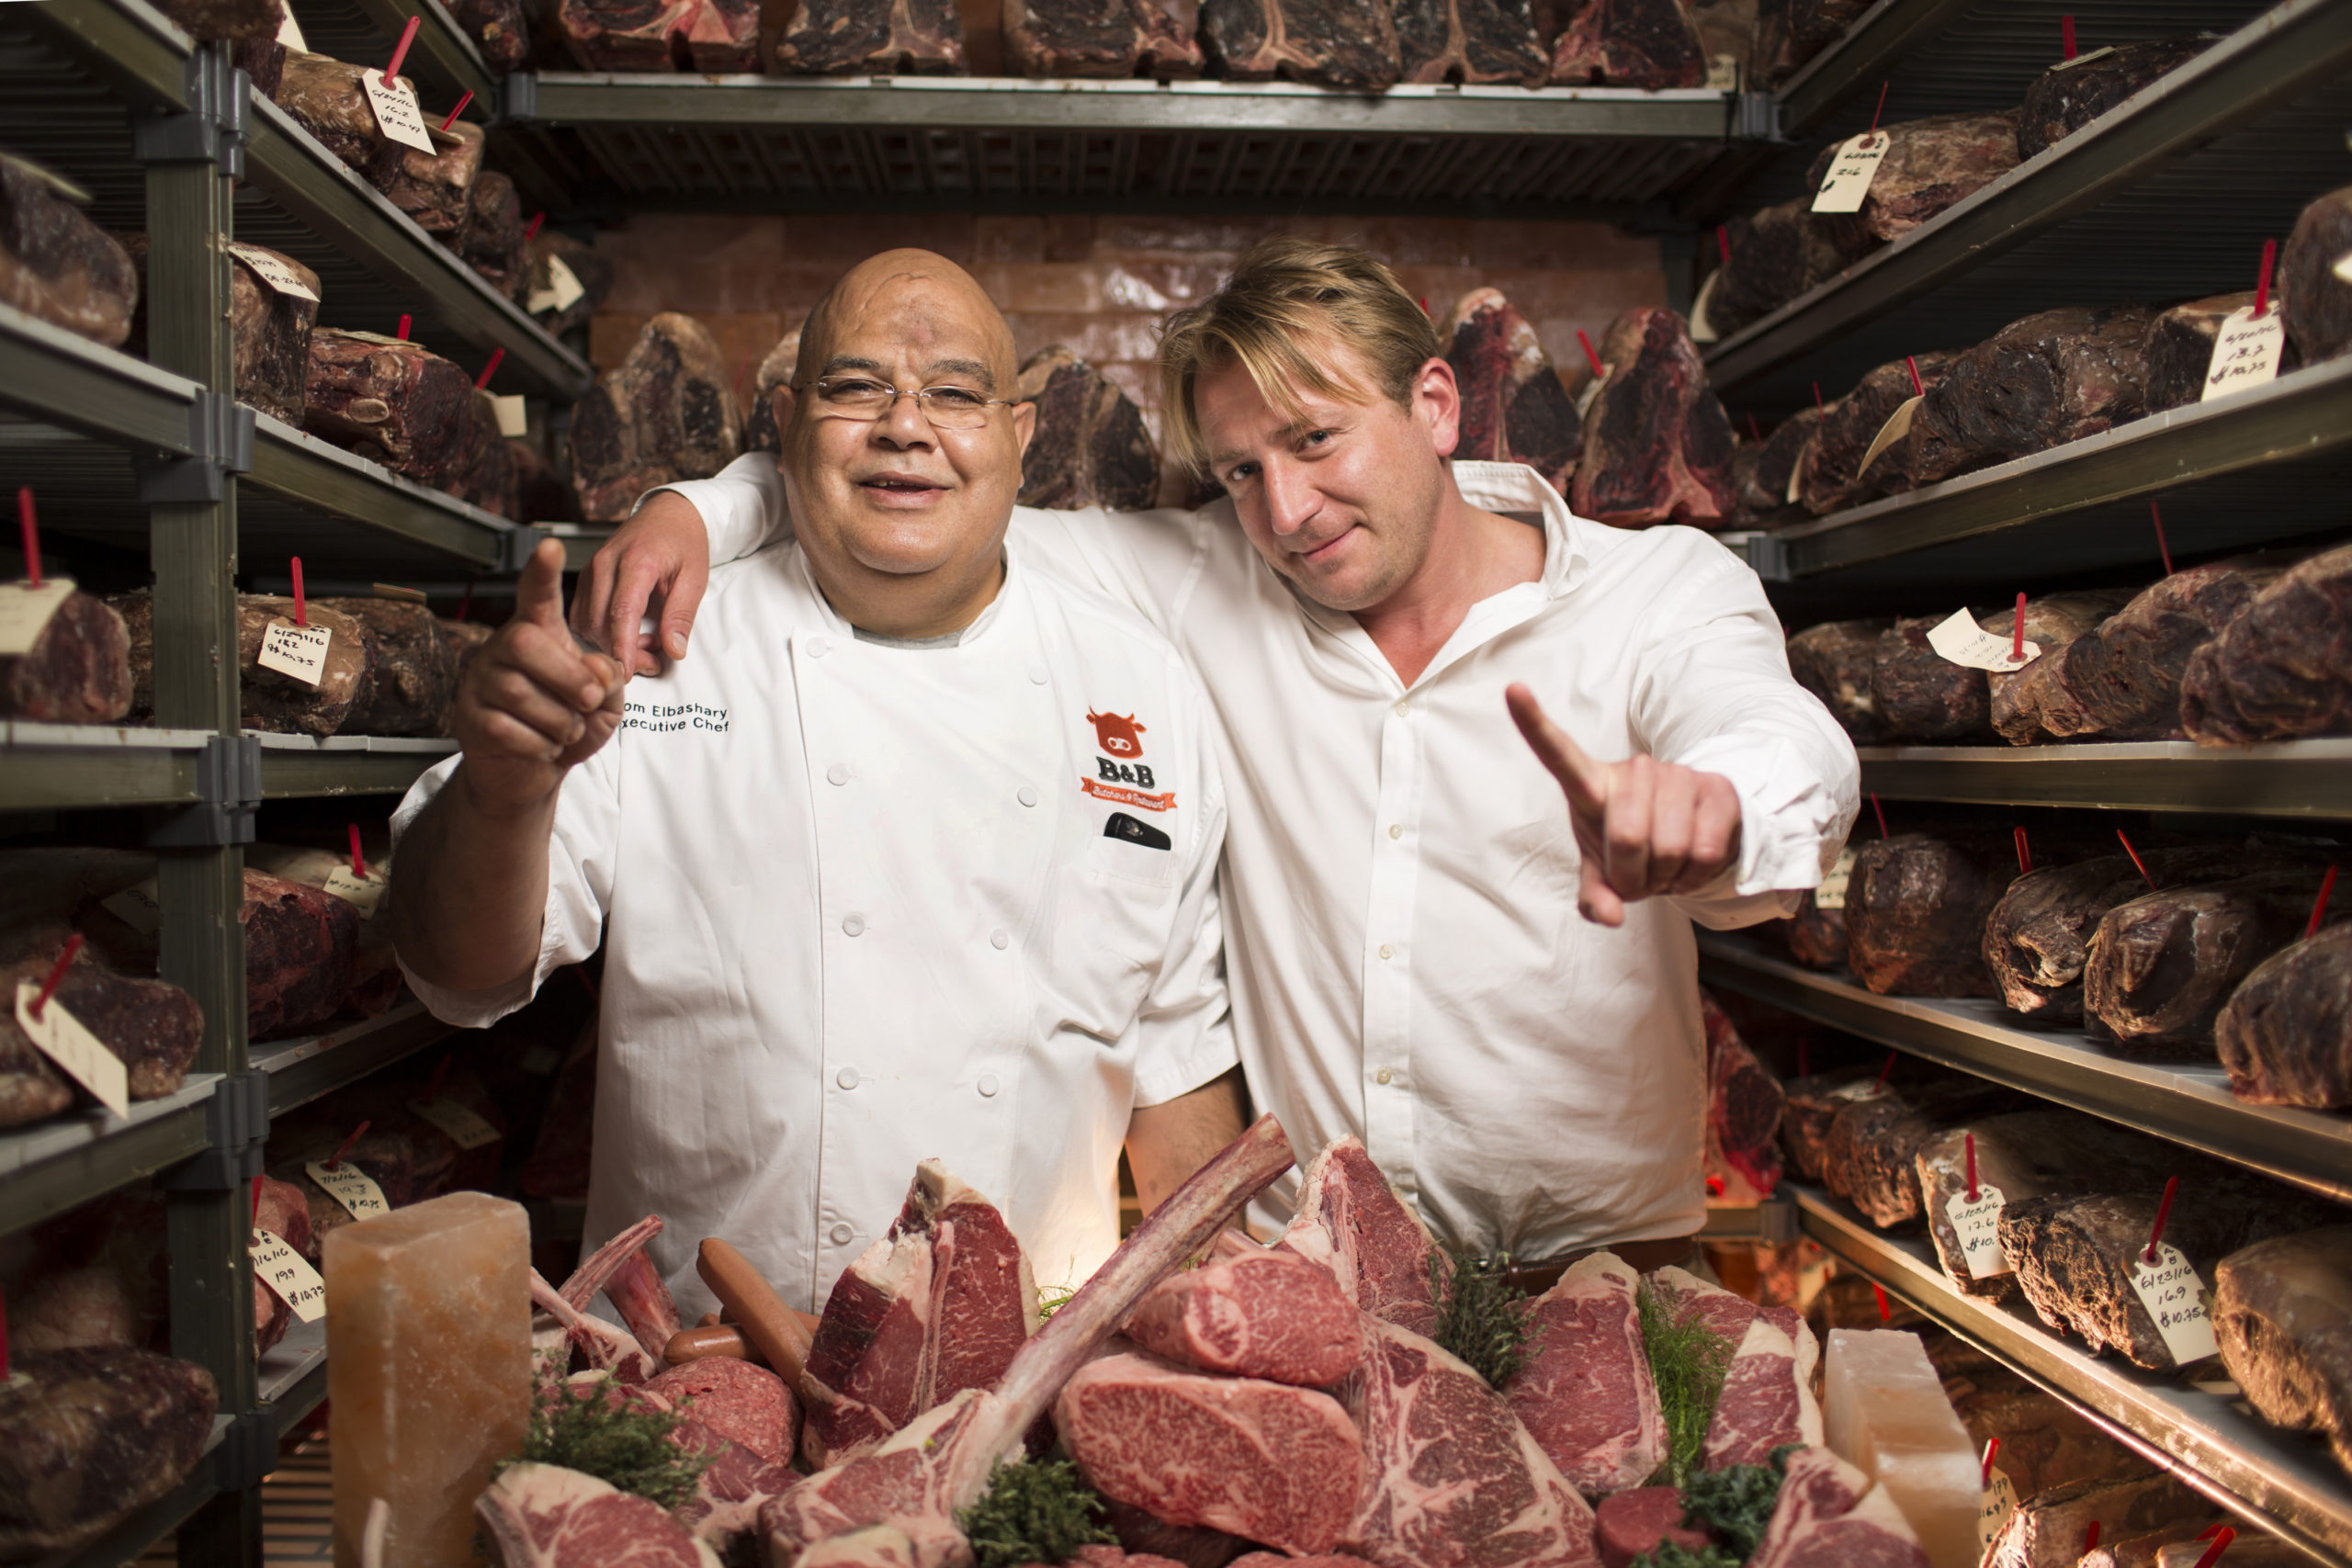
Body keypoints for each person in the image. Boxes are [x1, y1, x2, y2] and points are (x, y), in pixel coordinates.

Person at [577, 238, 1860, 1285]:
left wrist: (1721, 805)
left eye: (1313, 441)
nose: (1285, 512)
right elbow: (911, 488)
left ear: (1433, 402)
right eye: (1241, 470)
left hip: (1605, 1268)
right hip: (1319, 1273)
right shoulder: (1210, 578)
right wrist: (699, 504)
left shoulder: (1655, 597)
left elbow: (1776, 736)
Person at [388, 251, 1245, 1315]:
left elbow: (1177, 1062)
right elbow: (459, 975)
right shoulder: (652, 649)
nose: (904, 425)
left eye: (956, 394)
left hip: (1024, 1372)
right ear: (788, 423)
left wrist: (1218, 1326)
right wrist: (503, 791)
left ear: (1019, 438)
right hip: (694, 1381)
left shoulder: (1141, 683)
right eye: (854, 389)